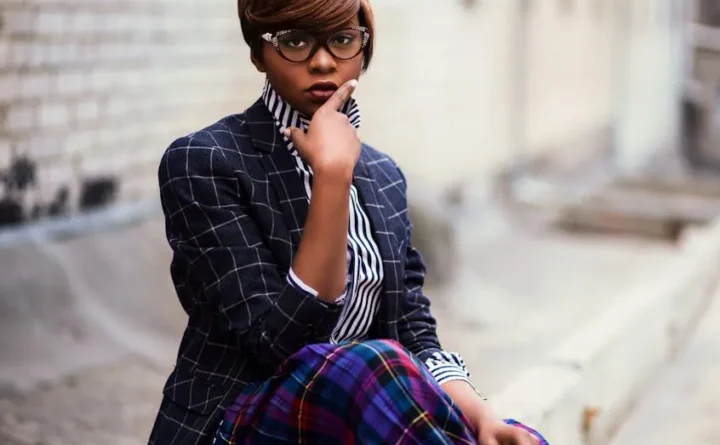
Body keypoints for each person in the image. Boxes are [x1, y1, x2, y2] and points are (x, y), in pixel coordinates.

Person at [148, 0, 549, 444]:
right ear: (258, 52)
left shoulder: (383, 175)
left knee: (511, 435)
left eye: (341, 40)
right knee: (369, 365)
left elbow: (413, 328)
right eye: (295, 42)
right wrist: (332, 179)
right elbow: (278, 346)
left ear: (363, 49)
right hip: (240, 418)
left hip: (362, 417)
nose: (322, 62)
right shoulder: (206, 161)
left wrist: (482, 415)